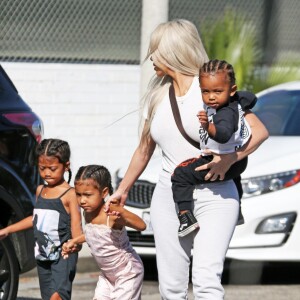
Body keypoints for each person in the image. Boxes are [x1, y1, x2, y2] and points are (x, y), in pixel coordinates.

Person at [106, 19, 268, 300]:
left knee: (206, 281)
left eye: (155, 50)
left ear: (172, 51)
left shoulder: (209, 90)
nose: (151, 58)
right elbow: (144, 149)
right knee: (171, 287)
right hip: (168, 199)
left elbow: (259, 131)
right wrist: (122, 190)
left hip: (215, 197)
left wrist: (229, 158)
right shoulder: (157, 97)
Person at [171, 59, 254, 237]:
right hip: (237, 162)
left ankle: (186, 217)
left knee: (180, 174)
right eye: (205, 91)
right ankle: (236, 211)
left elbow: (223, 135)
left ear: (232, 90)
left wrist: (209, 127)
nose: (211, 97)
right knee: (235, 179)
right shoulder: (236, 102)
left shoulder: (226, 112)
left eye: (217, 91)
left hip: (223, 160)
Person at [0, 138, 82, 300]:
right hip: (43, 256)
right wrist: (7, 230)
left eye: (52, 168)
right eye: (42, 168)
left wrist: (75, 245)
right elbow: (36, 219)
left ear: (66, 166)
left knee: (58, 297)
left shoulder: (70, 194)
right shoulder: (40, 190)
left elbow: (76, 227)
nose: (47, 173)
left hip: (63, 257)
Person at [62, 164, 146, 300]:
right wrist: (74, 241)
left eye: (87, 195)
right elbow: (94, 234)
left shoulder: (111, 212)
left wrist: (121, 212)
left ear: (104, 192)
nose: (82, 200)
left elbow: (142, 225)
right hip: (107, 275)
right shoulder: (88, 212)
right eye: (78, 194)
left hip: (127, 272)